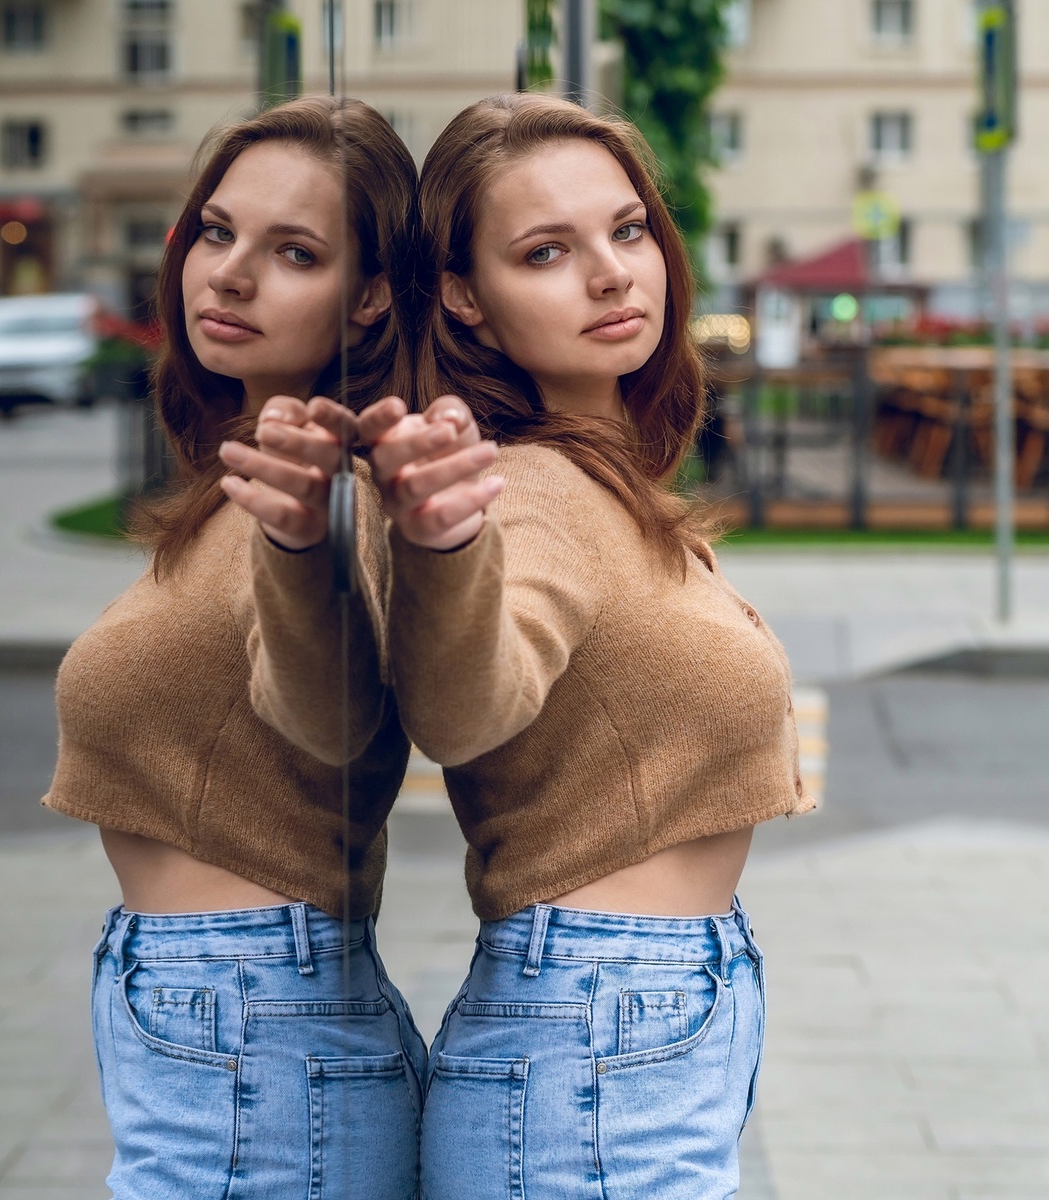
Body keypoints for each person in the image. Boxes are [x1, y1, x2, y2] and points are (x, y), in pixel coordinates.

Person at [363, 94, 815, 1196]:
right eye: (545, 251)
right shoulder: (531, 491)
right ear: (466, 299)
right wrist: (444, 546)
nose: (613, 273)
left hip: (623, 1027)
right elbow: (463, 709)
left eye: (627, 231)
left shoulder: (604, 476)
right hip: (596, 1036)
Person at [41, 95, 425, 1199]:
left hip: (253, 1019)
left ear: (367, 300)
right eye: (216, 232)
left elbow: (343, 708)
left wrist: (306, 541)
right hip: (221, 1016)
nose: (230, 274)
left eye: (293, 252)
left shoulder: (334, 489)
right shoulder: (241, 477)